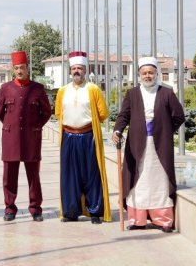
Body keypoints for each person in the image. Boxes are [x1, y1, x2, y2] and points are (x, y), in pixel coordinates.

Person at [112, 56, 185, 232]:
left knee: (159, 181)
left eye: (151, 72)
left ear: (156, 74)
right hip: (137, 144)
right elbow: (124, 116)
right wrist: (117, 130)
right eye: (144, 73)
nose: (147, 76)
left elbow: (178, 116)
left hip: (160, 145)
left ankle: (163, 221)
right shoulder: (132, 94)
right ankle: (137, 220)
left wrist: (165, 129)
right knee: (139, 181)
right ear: (139, 74)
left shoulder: (166, 93)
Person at [54, 51, 111, 224]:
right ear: (70, 71)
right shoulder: (63, 91)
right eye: (74, 68)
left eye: (80, 68)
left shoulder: (93, 89)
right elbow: (58, 113)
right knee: (70, 176)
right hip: (69, 137)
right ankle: (71, 212)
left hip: (88, 137)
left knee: (91, 175)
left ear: (85, 70)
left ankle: (95, 212)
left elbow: (103, 114)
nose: (77, 71)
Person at [0, 50, 52, 222]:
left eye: (22, 67)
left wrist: (35, 126)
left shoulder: (37, 89)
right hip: (11, 138)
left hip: (31, 138)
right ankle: (10, 208)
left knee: (33, 175)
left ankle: (35, 208)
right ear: (13, 69)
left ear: (28, 68)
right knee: (9, 175)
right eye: (16, 68)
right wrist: (11, 125)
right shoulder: (6, 89)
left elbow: (47, 112)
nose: (19, 71)